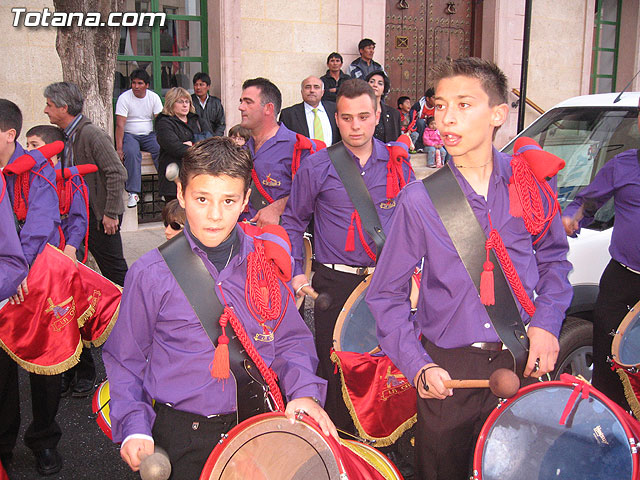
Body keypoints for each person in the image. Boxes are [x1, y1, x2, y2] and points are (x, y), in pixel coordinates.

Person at [365, 58, 573, 480]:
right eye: (440, 106)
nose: (446, 118)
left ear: (498, 114)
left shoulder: (527, 183)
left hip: (521, 358)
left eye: (463, 104)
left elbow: (554, 260)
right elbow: (385, 294)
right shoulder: (420, 200)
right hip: (449, 371)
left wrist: (548, 325)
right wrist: (419, 365)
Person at [103, 137, 336, 479]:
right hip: (183, 435)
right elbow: (127, 358)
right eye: (201, 199)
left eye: (228, 201)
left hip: (259, 426)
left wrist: (303, 392)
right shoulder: (150, 274)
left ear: (245, 200)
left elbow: (290, 341)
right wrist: (135, 425)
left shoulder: (266, 262)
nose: (214, 215)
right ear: (181, 194)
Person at [281, 79, 415, 434]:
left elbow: (416, 225)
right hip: (335, 284)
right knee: (336, 368)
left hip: (388, 282)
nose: (355, 125)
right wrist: (296, 272)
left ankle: (384, 441)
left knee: (387, 366)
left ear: (377, 116)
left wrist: (417, 273)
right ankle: (339, 446)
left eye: (363, 116)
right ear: (336, 119)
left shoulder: (398, 164)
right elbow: (294, 221)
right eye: (346, 117)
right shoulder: (316, 166)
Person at [44, 81, 129, 397]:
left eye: (49, 105)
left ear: (64, 108)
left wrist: (110, 212)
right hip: (78, 222)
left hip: (98, 220)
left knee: (118, 278)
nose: (46, 110)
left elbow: (116, 172)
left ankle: (141, 333)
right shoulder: (68, 136)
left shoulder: (91, 134)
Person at [562, 98, 640, 412]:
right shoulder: (621, 165)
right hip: (622, 281)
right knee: (609, 367)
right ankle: (611, 434)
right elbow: (587, 202)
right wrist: (573, 217)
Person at [0, 99, 64, 476]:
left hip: (36, 281)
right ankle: (3, 445)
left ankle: (44, 440)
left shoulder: (37, 168)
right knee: (3, 375)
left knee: (46, 368)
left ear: (10, 134)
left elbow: (40, 227)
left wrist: (15, 275)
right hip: (6, 285)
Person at [239, 77, 320, 226]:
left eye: (248, 102)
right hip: (244, 236)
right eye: (241, 101)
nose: (241, 107)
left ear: (268, 108)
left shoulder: (297, 146)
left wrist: (277, 208)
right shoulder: (242, 150)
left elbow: (314, 192)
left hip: (281, 239)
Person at [26, 125, 89, 261]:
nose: (28, 150)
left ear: (54, 149)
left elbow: (79, 216)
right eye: (27, 145)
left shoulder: (70, 178)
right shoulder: (29, 177)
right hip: (37, 248)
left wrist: (71, 246)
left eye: (34, 145)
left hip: (65, 246)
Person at [115, 69, 163, 208]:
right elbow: (120, 125)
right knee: (131, 153)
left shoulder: (153, 98)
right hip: (130, 135)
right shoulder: (124, 98)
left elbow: (160, 121)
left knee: (161, 150)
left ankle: (165, 187)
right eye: (134, 83)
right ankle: (133, 193)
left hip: (149, 135)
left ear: (147, 85)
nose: (136, 86)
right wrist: (119, 148)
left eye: (140, 83)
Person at [155, 87, 208, 202]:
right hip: (174, 179)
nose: (185, 105)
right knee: (175, 216)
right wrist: (199, 149)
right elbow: (175, 148)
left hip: (198, 176)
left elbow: (210, 140)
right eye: (180, 102)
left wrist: (192, 143)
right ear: (171, 103)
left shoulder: (196, 119)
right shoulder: (164, 122)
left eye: (187, 101)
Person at [279, 76, 340, 146]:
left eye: (316, 87)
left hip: (332, 156)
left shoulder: (335, 109)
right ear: (301, 92)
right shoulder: (288, 114)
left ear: (322, 92)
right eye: (307, 87)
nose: (312, 90)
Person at [366, 71, 401, 143]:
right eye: (372, 82)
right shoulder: (356, 110)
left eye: (380, 83)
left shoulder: (394, 114)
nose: (375, 85)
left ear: (384, 90)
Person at [191, 72, 226, 137]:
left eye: (201, 85)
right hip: (195, 140)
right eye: (196, 85)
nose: (198, 88)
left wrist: (215, 139)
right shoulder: (189, 101)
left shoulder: (216, 102)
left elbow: (221, 124)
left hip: (213, 140)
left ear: (208, 87)